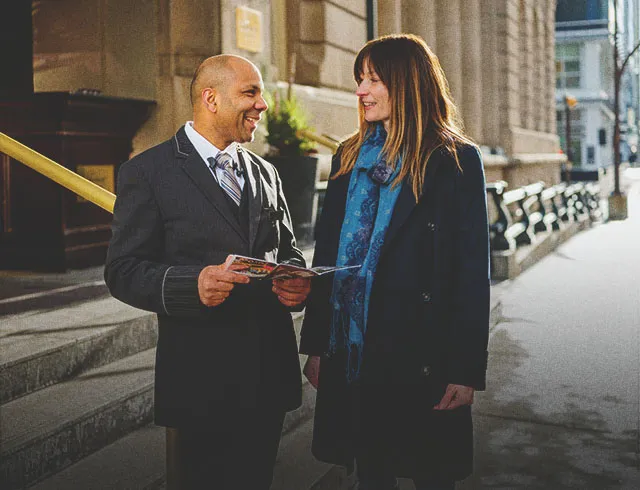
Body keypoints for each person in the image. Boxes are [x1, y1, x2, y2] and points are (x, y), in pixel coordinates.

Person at [104, 54, 311, 490]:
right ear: (211, 98)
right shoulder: (147, 172)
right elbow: (122, 269)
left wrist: (296, 281)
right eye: (251, 92)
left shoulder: (267, 172)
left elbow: (288, 252)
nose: (263, 105)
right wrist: (190, 285)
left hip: (268, 374)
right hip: (200, 380)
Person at [300, 34, 490, 490]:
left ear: (406, 84)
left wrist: (465, 370)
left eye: (373, 80)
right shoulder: (347, 157)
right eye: (359, 80)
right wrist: (318, 343)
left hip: (423, 350)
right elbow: (327, 255)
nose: (360, 91)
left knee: (429, 473)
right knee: (372, 472)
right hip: (355, 351)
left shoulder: (455, 160)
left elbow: (470, 273)